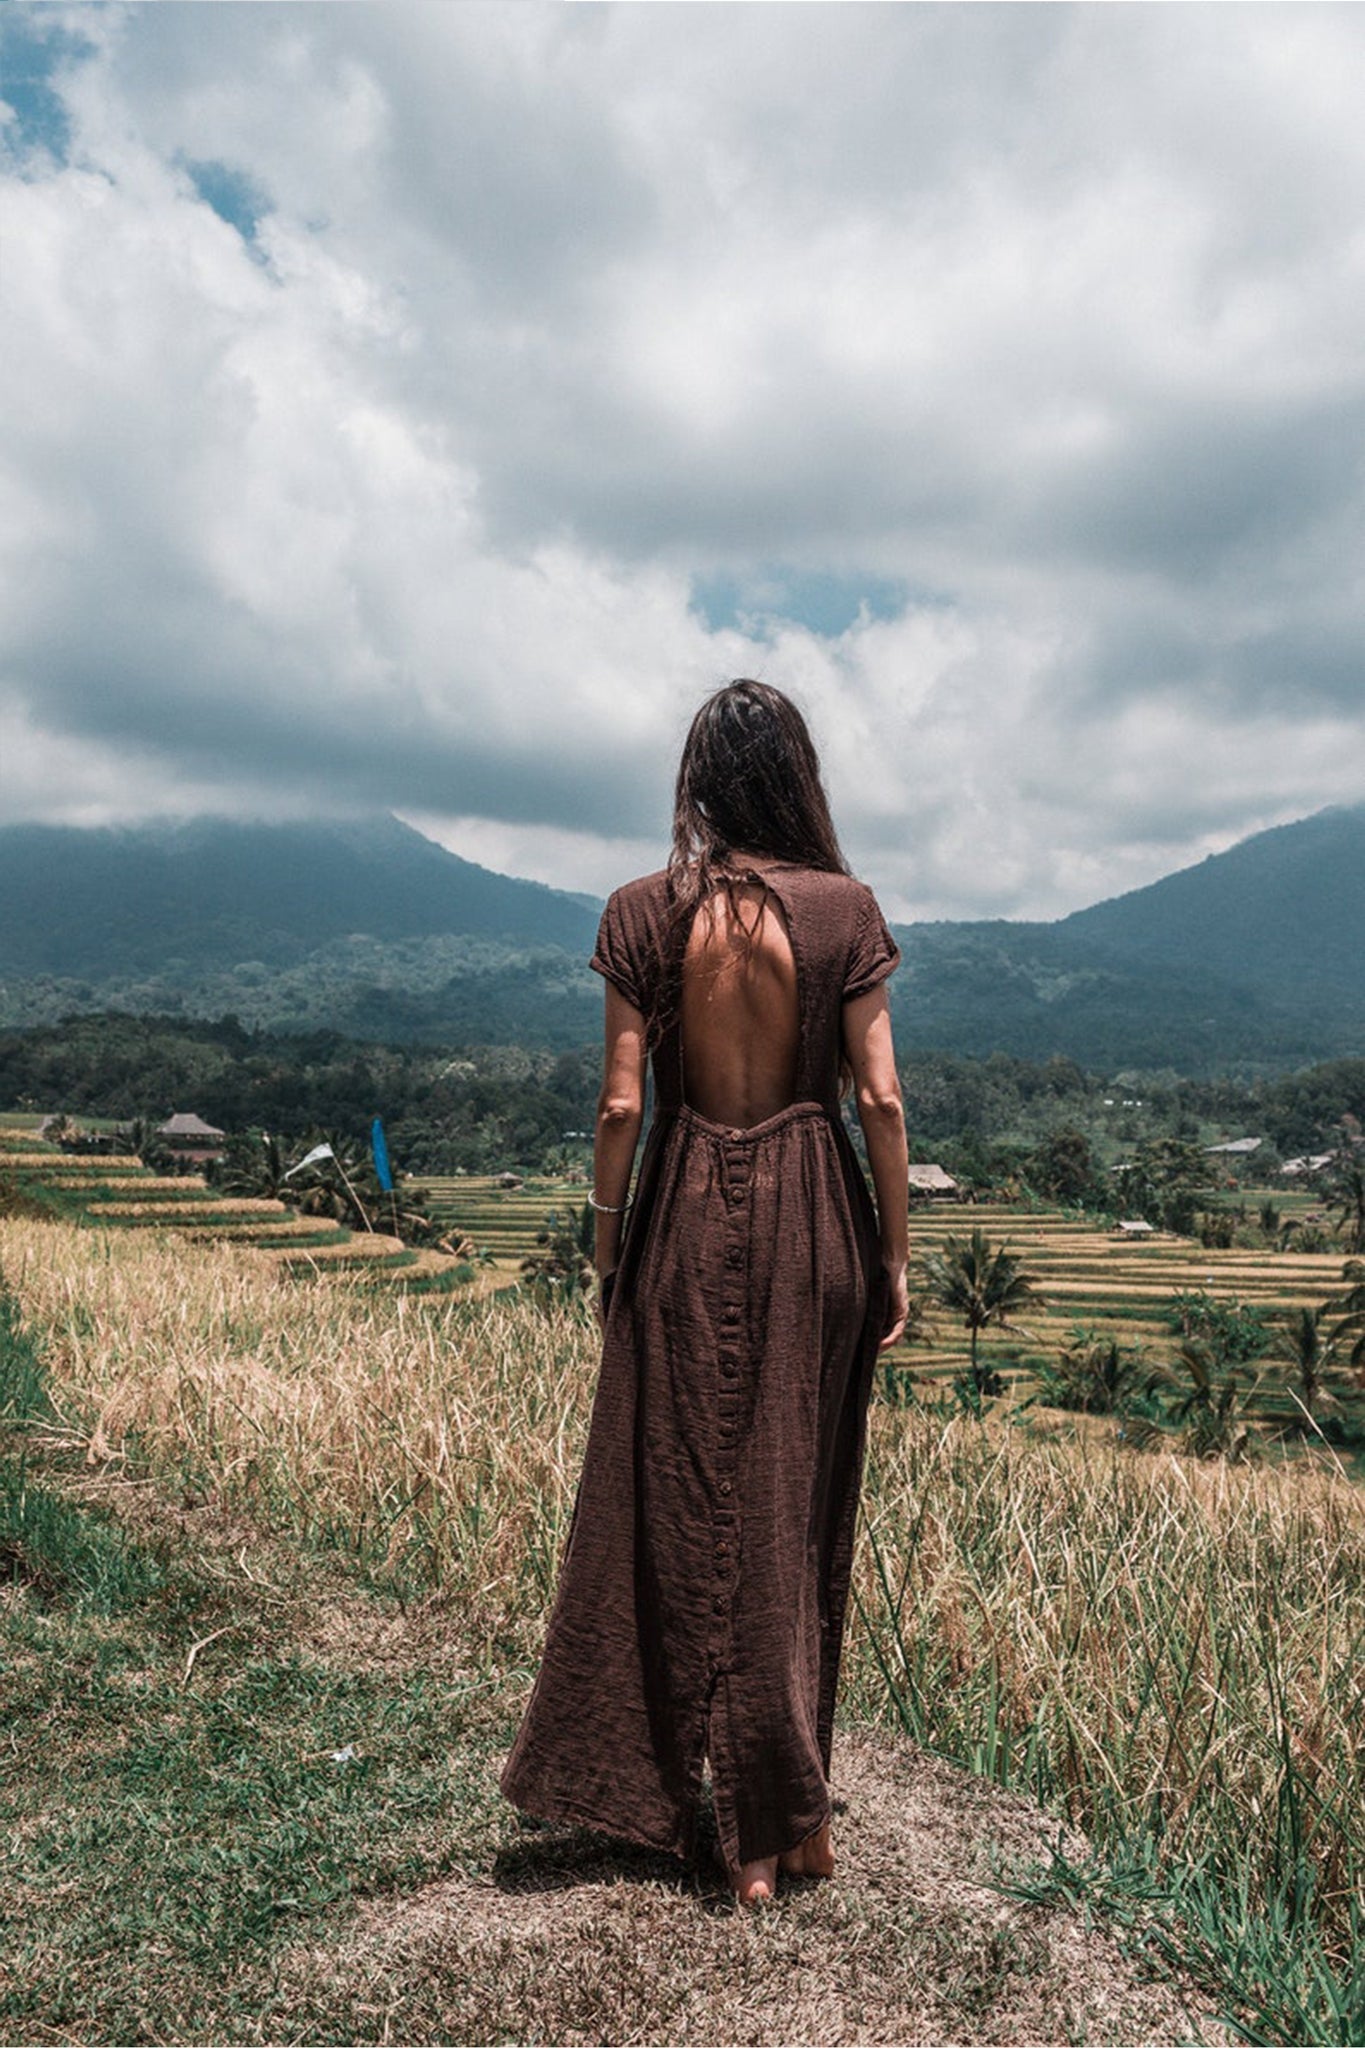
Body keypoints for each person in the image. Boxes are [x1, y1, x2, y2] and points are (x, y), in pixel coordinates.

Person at [500, 679, 909, 1904]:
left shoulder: (641, 910)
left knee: (673, 1500)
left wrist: (606, 1235)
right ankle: (792, 1823)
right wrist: (893, 1252)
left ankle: (704, 1813)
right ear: (797, 775)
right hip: (812, 1206)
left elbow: (621, 1104)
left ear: (696, 780)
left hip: (680, 1201)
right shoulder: (845, 910)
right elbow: (880, 1101)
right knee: (796, 1503)